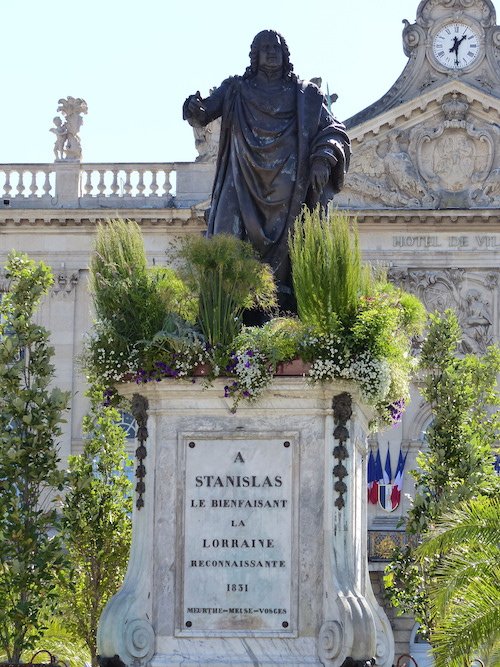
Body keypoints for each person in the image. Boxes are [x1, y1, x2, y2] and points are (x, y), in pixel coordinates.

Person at [183, 29, 351, 312]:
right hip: (242, 176)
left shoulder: (306, 94)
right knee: (224, 230)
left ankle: (279, 304)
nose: (271, 52)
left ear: (285, 54)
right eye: (264, 48)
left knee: (290, 250)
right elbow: (204, 113)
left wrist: (323, 158)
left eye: (276, 47)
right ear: (255, 56)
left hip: (288, 184)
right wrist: (192, 108)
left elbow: (333, 129)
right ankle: (220, 312)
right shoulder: (236, 88)